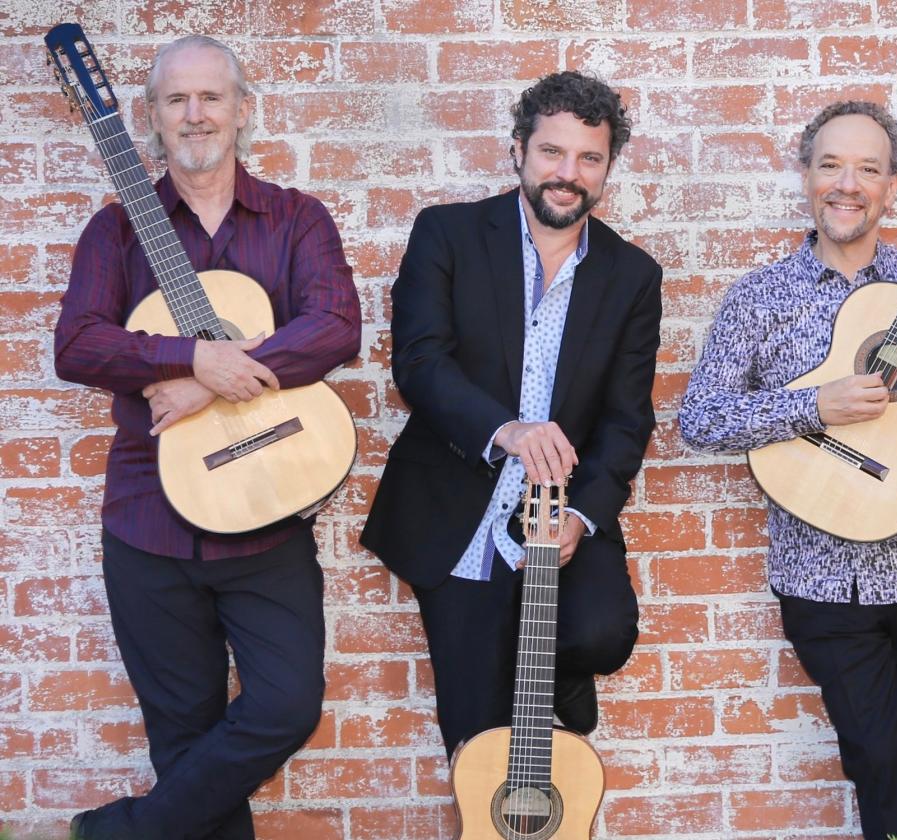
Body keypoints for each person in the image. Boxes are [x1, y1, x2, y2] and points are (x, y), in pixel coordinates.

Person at [679, 101, 897, 840]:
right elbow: (700, 419)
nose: (848, 184)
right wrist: (815, 404)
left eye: (868, 169)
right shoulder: (758, 298)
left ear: (893, 187)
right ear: (805, 175)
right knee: (883, 758)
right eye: (831, 164)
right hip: (820, 578)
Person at [53, 35, 361, 840]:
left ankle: (119, 832)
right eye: (176, 100)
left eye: (212, 97)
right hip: (150, 521)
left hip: (266, 512)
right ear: (148, 117)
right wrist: (189, 352)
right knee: (184, 745)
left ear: (243, 109)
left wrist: (218, 374)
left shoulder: (297, 219)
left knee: (287, 705)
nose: (196, 115)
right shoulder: (115, 232)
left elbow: (335, 327)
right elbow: (77, 344)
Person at [360, 71, 662, 757]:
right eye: (552, 152)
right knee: (477, 743)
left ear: (608, 167)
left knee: (601, 635)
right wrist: (508, 430)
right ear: (519, 150)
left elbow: (625, 419)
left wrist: (584, 519)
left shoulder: (633, 275)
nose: (568, 173)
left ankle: (557, 682)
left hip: (561, 510)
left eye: (589, 158)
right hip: (458, 508)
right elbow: (421, 361)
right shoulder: (448, 234)